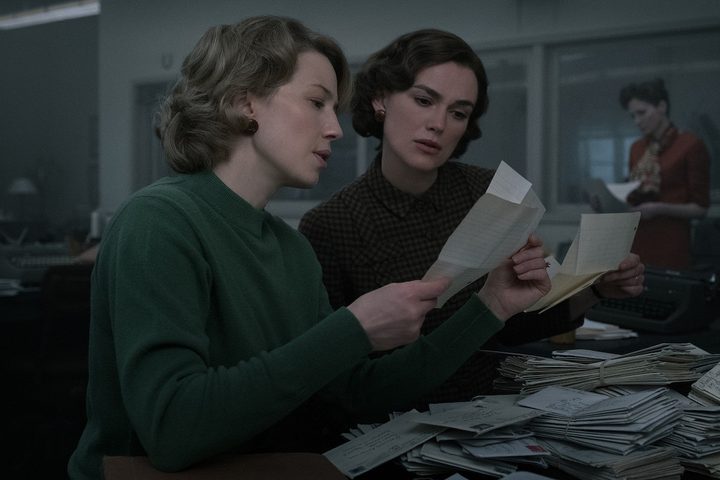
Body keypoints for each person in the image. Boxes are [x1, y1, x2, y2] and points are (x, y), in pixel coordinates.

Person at [68, 17, 553, 479]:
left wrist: (490, 305)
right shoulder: (158, 222)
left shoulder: (291, 248)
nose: (335, 129)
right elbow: (172, 430)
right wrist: (353, 328)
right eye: (316, 102)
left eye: (334, 109)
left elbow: (355, 393)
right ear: (245, 103)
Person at [299, 28, 645, 407]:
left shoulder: (489, 192)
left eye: (458, 112)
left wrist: (595, 290)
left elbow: (509, 326)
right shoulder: (330, 224)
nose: (439, 123)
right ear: (381, 99)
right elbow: (335, 380)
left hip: (492, 409)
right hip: (391, 417)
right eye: (424, 100)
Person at [618, 78, 711, 270]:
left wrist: (659, 208)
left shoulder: (690, 145)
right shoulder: (637, 148)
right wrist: (608, 202)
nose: (637, 121)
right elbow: (632, 195)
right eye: (632, 116)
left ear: (661, 106)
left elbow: (701, 209)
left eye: (642, 113)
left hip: (671, 243)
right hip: (637, 240)